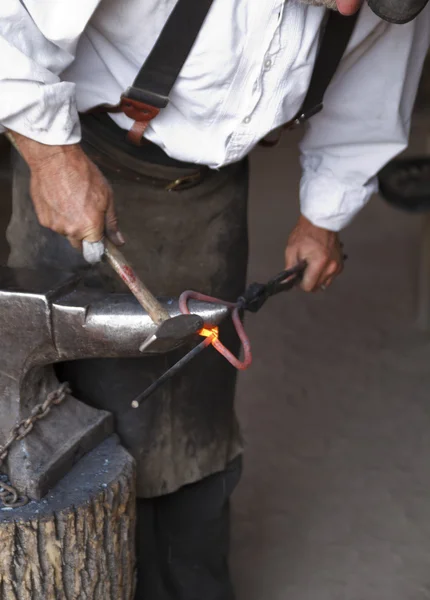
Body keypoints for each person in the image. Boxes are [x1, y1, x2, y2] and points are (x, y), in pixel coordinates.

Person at [1, 0, 429, 598]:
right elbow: (12, 26)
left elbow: (373, 96)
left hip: (211, 190)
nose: (350, 8)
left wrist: (322, 216)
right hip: (79, 150)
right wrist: (50, 156)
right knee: (59, 421)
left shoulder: (383, 7)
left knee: (191, 430)